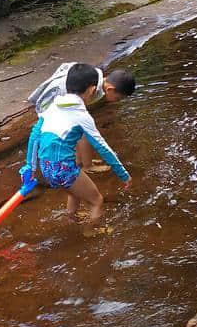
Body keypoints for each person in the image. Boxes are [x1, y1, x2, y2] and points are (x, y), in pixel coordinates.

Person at [26, 63, 131, 230]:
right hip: (63, 168)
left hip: (46, 167)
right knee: (97, 200)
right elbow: (103, 147)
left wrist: (30, 168)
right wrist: (123, 174)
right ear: (91, 91)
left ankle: (71, 219)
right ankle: (91, 232)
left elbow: (35, 135)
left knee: (75, 192)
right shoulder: (82, 116)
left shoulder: (53, 106)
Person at [28, 61, 135, 172]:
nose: (117, 101)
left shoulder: (96, 79)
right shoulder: (91, 88)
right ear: (110, 89)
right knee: (83, 132)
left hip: (62, 101)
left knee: (77, 130)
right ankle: (88, 166)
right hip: (51, 102)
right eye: (118, 98)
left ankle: (79, 161)